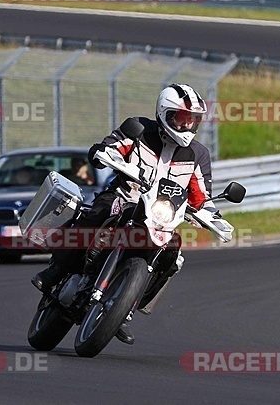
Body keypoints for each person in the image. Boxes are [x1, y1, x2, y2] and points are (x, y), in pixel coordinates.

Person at [31, 83, 220, 346]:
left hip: (161, 215)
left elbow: (202, 196)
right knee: (100, 212)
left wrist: (213, 216)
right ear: (164, 114)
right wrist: (103, 153)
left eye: (193, 120)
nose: (187, 126)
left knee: (173, 252)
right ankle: (56, 270)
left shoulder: (198, 154)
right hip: (124, 197)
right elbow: (112, 146)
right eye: (182, 118)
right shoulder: (138, 129)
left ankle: (122, 310)